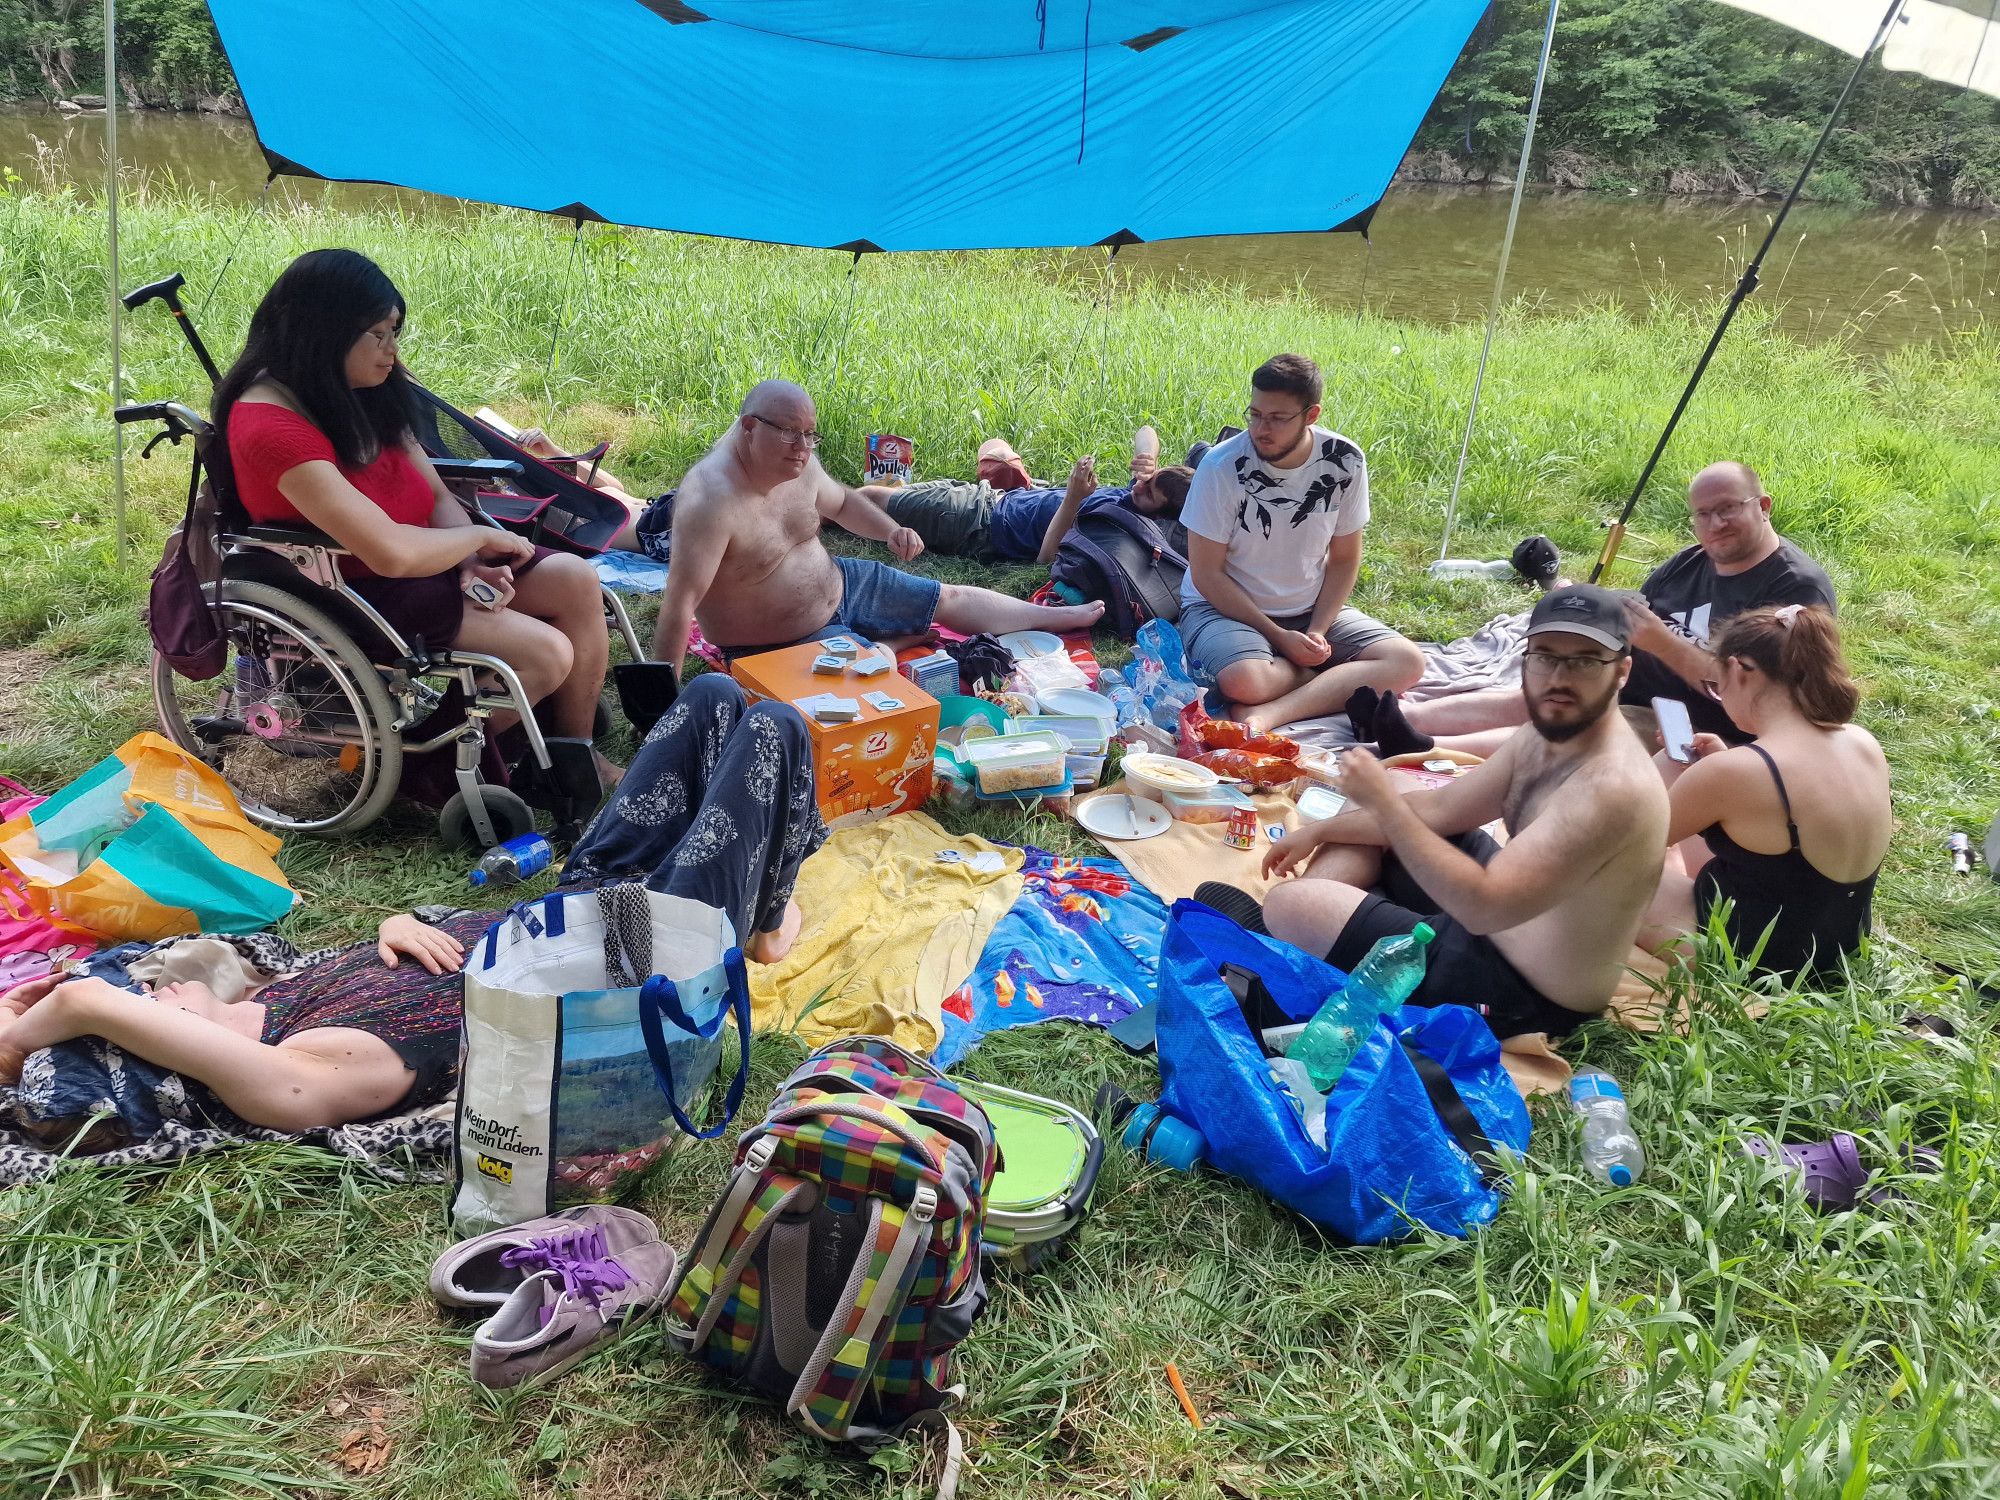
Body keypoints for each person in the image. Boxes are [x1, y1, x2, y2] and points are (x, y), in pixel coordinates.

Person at [0, 676, 825, 1132]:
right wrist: (35, 1031)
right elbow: (87, 1000)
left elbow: (393, 948)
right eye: (143, 1007)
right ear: (154, 1047)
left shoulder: (277, 998)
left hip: (578, 904)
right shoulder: (292, 1077)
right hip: (647, 957)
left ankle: (758, 904)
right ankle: (759, 927)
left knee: (712, 695)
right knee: (774, 730)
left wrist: (398, 924)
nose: (148, 986)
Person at [212, 249, 619, 790]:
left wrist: (469, 558)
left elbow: (433, 493)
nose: (393, 351)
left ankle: (575, 755)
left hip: (422, 560)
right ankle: (426, 774)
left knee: (575, 576)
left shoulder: (356, 386)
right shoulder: (271, 428)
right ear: (325, 333)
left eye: (395, 332)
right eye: (379, 335)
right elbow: (390, 553)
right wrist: (474, 538)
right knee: (545, 653)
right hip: (355, 585)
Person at [1247, 586, 1670, 1038]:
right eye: (1545, 656)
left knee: (1291, 903)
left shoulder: (1610, 786)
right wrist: (1322, 830)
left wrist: (1385, 809)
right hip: (1498, 917)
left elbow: (1483, 908)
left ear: (1622, 671)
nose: (1559, 678)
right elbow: (1440, 808)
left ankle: (1286, 941)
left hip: (1523, 991)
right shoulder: (1550, 731)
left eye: (1584, 661)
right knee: (1397, 786)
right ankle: (1306, 933)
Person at [1391, 461, 1837, 760]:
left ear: (1763, 507)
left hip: (1692, 723)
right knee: (1538, 693)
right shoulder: (1690, 561)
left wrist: (1660, 642)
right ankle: (1398, 718)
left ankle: (1420, 748)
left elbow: (1766, 696)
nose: (1715, 524)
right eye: (1703, 514)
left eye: (1727, 509)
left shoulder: (1794, 587)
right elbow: (1637, 618)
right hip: (1626, 683)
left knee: (1567, 727)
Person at [650, 380, 1105, 664]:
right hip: (774, 641)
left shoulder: (797, 461)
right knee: (870, 674)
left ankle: (1056, 617)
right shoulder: (711, 499)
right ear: (749, 427)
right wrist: (662, 705)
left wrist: (890, 530)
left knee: (948, 595)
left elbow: (843, 504)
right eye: (789, 433)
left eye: (809, 434)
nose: (803, 447)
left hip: (842, 583)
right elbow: (678, 604)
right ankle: (897, 642)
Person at [1176, 354, 1424, 734]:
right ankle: (1327, 678)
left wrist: (1318, 631)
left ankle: (1272, 712)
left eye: (1277, 418)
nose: (1261, 429)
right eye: (1255, 415)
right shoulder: (1220, 466)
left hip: (1308, 608)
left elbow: (1344, 560)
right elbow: (1206, 573)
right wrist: (1279, 637)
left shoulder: (1345, 461)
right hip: (1222, 609)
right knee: (1244, 681)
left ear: (1311, 415)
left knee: (1407, 661)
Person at [1638, 605, 1888, 981]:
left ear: (1738, 670)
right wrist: (1718, 765)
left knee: (1601, 871)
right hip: (1835, 949)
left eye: (1716, 685)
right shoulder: (1862, 741)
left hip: (1749, 962)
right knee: (1679, 766)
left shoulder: (1737, 772)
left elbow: (1623, 847)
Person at [857, 433, 1194, 562]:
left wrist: (1073, 497)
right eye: (1148, 480)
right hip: (997, 497)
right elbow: (1146, 432)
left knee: (867, 498)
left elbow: (1047, 559)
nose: (1139, 486)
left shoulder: (1116, 528)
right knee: (995, 445)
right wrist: (1148, 458)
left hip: (978, 522)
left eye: (1149, 492)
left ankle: (824, 507)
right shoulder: (1138, 495)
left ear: (1159, 516)